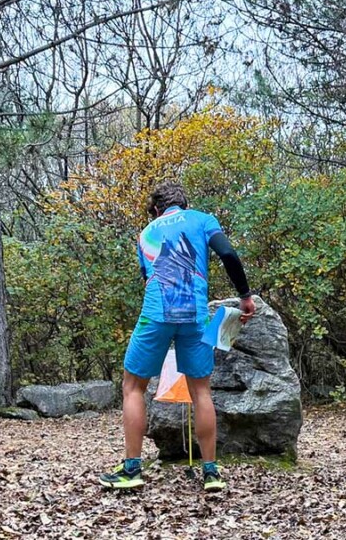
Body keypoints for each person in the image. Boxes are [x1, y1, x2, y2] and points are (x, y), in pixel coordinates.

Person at [99, 181, 255, 493]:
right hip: (195, 316)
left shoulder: (147, 233)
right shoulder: (202, 220)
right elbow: (227, 252)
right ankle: (211, 473)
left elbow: (147, 278)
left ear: (157, 209)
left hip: (156, 315)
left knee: (133, 387)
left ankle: (132, 469)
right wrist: (244, 296)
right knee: (201, 392)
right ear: (184, 203)